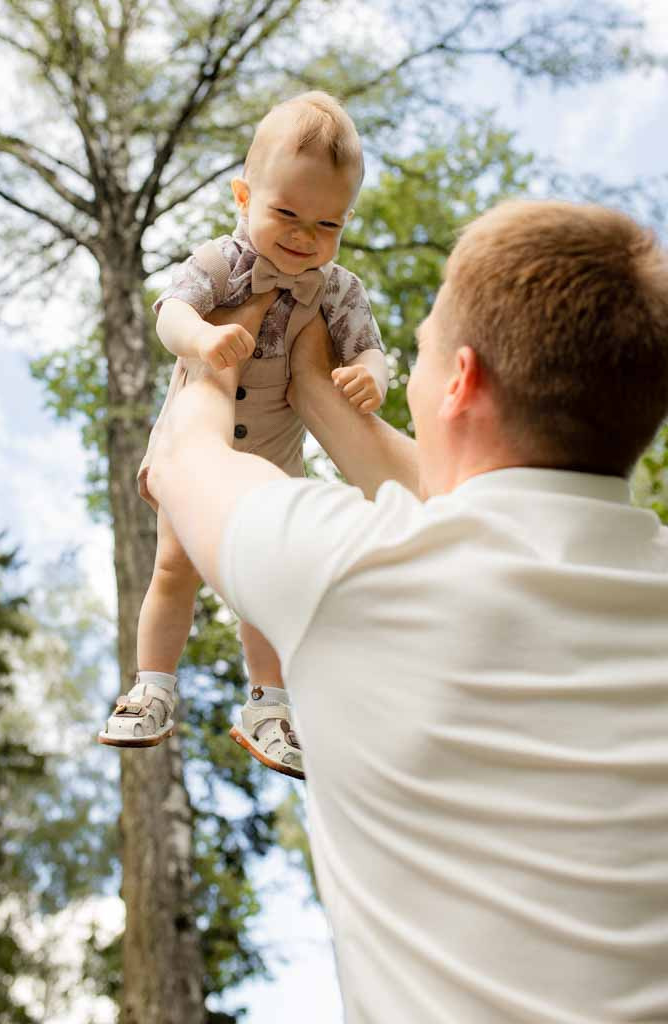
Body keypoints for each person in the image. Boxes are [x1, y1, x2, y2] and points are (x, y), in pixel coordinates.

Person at [147, 200, 668, 1024]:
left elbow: (183, 457)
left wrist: (220, 349)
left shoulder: (352, 571)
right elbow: (467, 493)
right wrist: (314, 391)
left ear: (460, 380)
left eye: (419, 349)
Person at [98, 91, 388, 781]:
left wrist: (371, 377)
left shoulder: (338, 290)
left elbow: (369, 348)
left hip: (271, 466)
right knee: (173, 570)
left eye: (327, 223)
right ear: (242, 194)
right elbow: (170, 311)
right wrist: (201, 337)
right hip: (194, 454)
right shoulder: (220, 264)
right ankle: (152, 688)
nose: (303, 236)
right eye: (286, 212)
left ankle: (268, 704)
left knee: (265, 585)